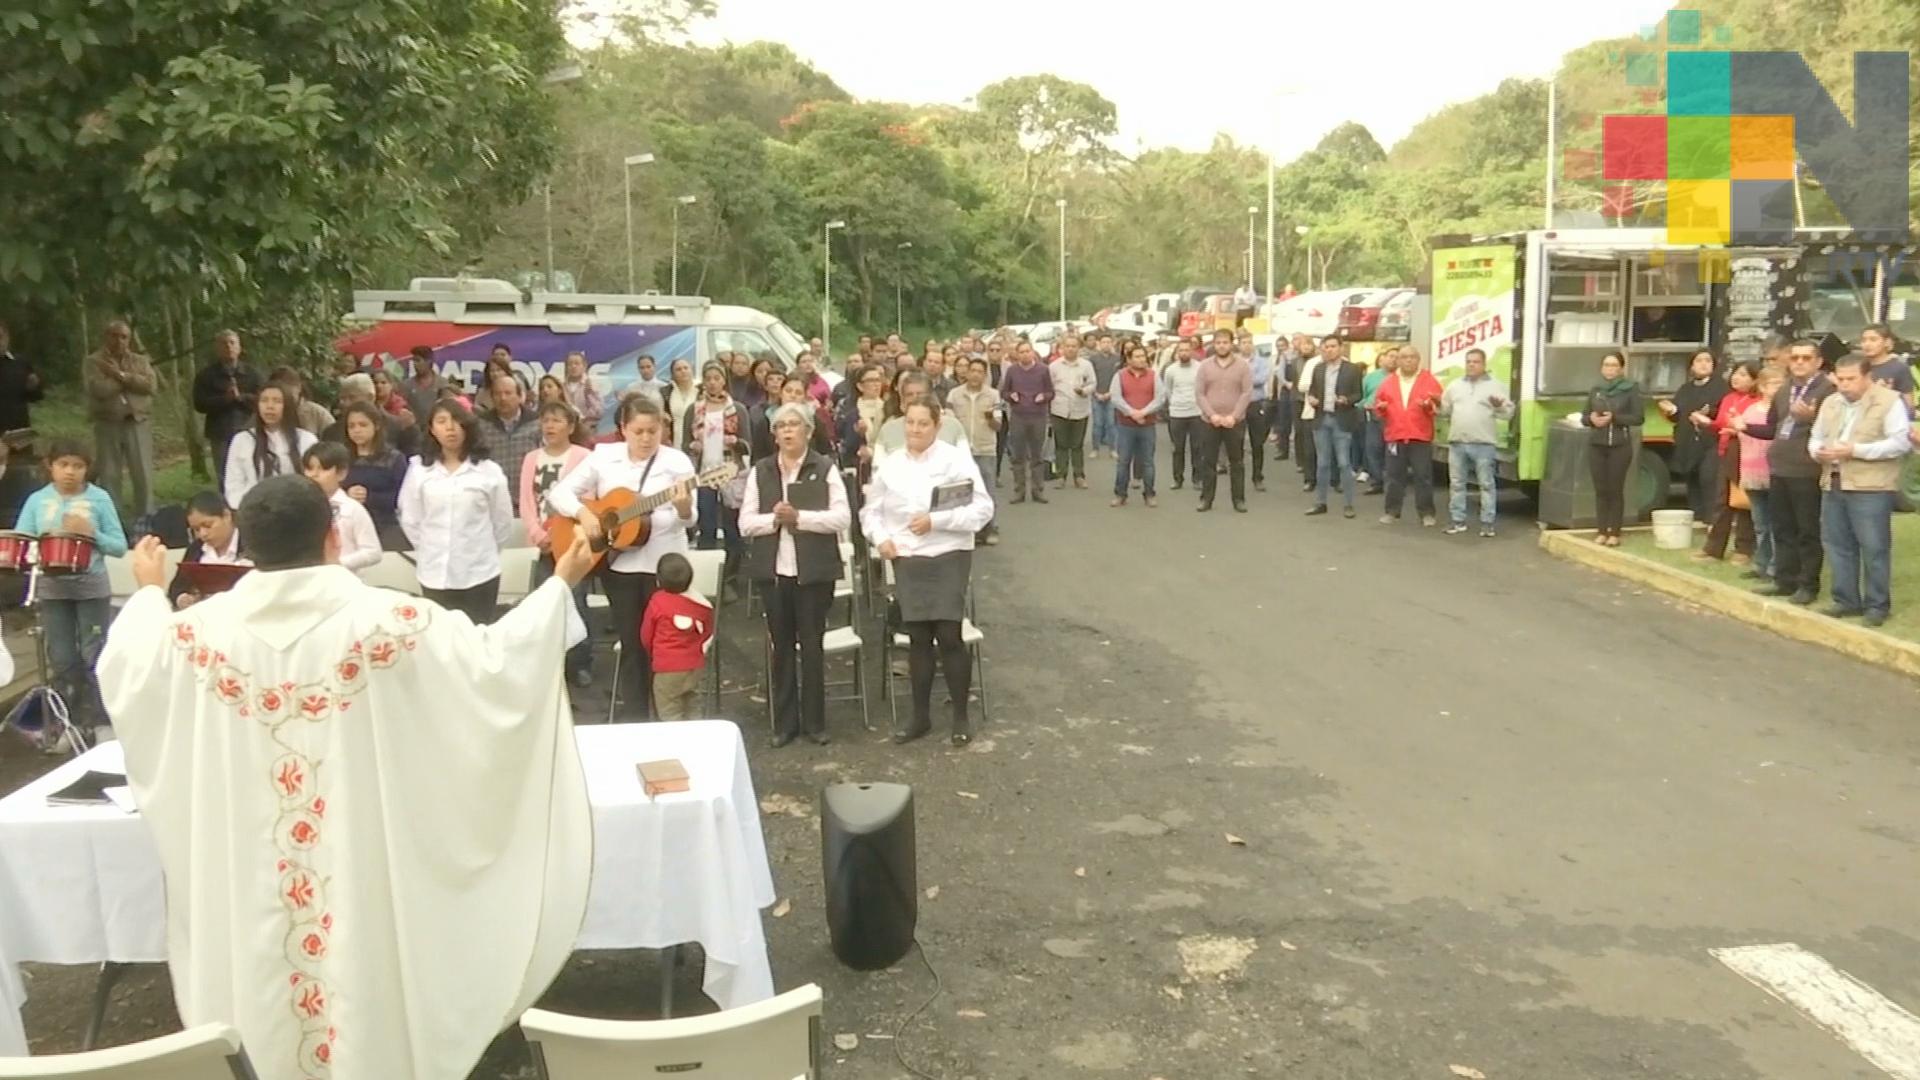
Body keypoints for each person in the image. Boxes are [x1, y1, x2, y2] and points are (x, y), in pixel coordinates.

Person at [97, 475, 595, 1080]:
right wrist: (560, 583)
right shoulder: (394, 621)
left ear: (247, 543)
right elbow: (496, 663)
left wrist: (150, 593)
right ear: (333, 536)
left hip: (248, 879)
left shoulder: (190, 635)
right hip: (362, 874)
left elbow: (126, 666)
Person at [547, 395, 697, 721]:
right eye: (638, 431)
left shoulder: (677, 462)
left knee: (664, 645)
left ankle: (667, 716)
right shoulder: (604, 457)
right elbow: (559, 493)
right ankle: (636, 717)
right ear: (624, 429)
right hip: (620, 566)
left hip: (664, 567)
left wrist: (684, 506)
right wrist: (584, 514)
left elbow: (689, 520)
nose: (646, 439)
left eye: (653, 431)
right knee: (632, 643)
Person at [861, 397, 993, 746]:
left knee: (949, 635)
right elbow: (870, 512)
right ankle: (919, 717)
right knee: (918, 638)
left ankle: (961, 716)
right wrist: (881, 538)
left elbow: (982, 509)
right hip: (909, 556)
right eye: (910, 422)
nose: (915, 430)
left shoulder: (955, 460)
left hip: (948, 553)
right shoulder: (891, 465)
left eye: (923, 423)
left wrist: (938, 520)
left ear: (937, 426)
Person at [739, 402, 852, 746]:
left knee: (813, 646)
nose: (787, 431)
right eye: (781, 426)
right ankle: (785, 723)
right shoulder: (761, 471)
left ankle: (815, 722)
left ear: (809, 431)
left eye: (794, 424)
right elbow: (745, 523)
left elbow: (842, 518)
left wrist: (799, 518)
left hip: (814, 572)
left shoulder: (825, 467)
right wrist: (774, 520)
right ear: (774, 435)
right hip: (774, 572)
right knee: (782, 647)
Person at [16, 438, 128, 726]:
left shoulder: (99, 499)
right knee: (62, 656)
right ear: (50, 466)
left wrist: (91, 533)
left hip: (91, 586)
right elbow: (22, 541)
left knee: (94, 651)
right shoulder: (37, 501)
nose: (70, 472)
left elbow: (119, 546)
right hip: (53, 588)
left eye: (77, 466)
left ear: (87, 469)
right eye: (63, 464)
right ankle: (70, 718)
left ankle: (100, 717)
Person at [1808, 353, 1910, 626]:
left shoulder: (1889, 401)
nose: (1844, 385)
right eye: (1840, 379)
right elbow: (1816, 436)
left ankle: (1877, 605)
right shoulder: (1831, 402)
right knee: (1838, 544)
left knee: (1874, 547)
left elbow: (1900, 443)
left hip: (1871, 486)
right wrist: (1818, 451)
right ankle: (1846, 600)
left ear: (1867, 377)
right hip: (1833, 480)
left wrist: (1856, 451)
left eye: (1851, 379)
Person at [1731, 339, 1834, 601]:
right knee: (1782, 528)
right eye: (1795, 357)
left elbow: (1835, 429)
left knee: (1807, 530)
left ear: (1818, 362)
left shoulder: (1827, 390)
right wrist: (1745, 427)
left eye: (1806, 358)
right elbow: (1773, 428)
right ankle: (1785, 580)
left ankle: (1807, 585)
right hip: (1779, 467)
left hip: (1807, 469)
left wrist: (1812, 418)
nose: (1799, 363)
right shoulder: (1785, 388)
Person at [399, 401, 515, 624]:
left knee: (477, 635)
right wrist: (430, 548)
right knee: (441, 636)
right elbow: (411, 519)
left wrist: (481, 551)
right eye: (442, 422)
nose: (450, 428)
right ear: (432, 429)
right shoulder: (420, 471)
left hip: (479, 572)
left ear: (467, 426)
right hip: (434, 572)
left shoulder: (488, 471)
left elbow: (502, 522)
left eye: (456, 421)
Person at [520, 401, 595, 688]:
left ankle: (579, 662)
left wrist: (566, 532)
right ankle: (548, 663)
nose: (549, 426)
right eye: (545, 420)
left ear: (571, 426)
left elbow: (589, 499)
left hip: (573, 540)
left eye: (556, 420)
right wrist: (538, 534)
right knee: (543, 602)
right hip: (543, 544)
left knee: (575, 600)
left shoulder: (584, 457)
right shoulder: (531, 458)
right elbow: (526, 501)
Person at [84, 319, 157, 521]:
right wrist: (130, 381)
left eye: (124, 337)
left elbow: (151, 386)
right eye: (114, 336)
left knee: (143, 474)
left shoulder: (140, 360)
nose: (119, 341)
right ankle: (112, 521)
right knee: (109, 474)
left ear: (129, 339)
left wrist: (119, 375)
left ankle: (147, 520)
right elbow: (99, 389)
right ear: (106, 337)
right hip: (108, 423)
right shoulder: (93, 361)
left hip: (137, 422)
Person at [681, 362, 749, 576]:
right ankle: (707, 574)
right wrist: (693, 446)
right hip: (704, 474)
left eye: (716, 378)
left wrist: (735, 442)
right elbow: (684, 444)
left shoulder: (737, 409)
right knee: (707, 523)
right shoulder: (694, 409)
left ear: (724, 381)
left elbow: (748, 444)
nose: (712, 383)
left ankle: (732, 575)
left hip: (731, 473)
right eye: (708, 378)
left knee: (731, 526)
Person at [1438, 348, 1514, 537]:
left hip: (1483, 443)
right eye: (1468, 361)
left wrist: (1499, 407)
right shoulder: (1455, 386)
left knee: (1486, 484)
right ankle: (1458, 521)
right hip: (1457, 442)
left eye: (1476, 362)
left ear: (1484, 364)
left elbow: (1508, 414)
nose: (1471, 365)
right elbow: (1444, 411)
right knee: (1457, 484)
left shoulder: (1496, 386)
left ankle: (1487, 523)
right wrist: (1436, 405)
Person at [1696, 361, 1765, 564]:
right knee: (1722, 500)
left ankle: (1744, 548)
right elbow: (1720, 424)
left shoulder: (1757, 401)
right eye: (1735, 373)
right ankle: (1714, 548)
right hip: (1727, 451)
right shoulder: (1728, 398)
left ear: (1755, 380)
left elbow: (1756, 427)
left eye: (1743, 375)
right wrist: (1706, 422)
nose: (1737, 378)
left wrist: (1738, 429)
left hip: (1747, 452)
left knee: (1743, 499)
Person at [1373, 346, 1444, 526]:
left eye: (1412, 357)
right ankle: (1392, 511)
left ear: (1418, 360)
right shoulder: (1388, 382)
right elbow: (1378, 406)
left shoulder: (1429, 380)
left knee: (1423, 476)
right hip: (1395, 435)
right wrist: (1381, 408)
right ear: (1398, 360)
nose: (1409, 360)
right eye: (1404, 357)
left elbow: (1438, 406)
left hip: (1420, 435)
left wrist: (1429, 405)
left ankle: (1426, 513)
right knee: (1394, 476)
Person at [639, 552, 713, 722]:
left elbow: (646, 635)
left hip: (667, 667)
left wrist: (654, 653)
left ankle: (676, 739)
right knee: (693, 705)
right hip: (694, 666)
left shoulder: (658, 601)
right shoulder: (701, 605)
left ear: (658, 580)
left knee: (669, 712)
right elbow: (708, 633)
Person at [1580, 352, 1644, 546]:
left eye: (1614, 365)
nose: (1610, 369)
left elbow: (1638, 418)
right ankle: (1601, 530)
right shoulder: (1596, 390)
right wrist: (1591, 419)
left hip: (1619, 445)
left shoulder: (1630, 389)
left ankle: (1614, 532)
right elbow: (1584, 416)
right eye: (1606, 365)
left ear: (1621, 368)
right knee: (1601, 489)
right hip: (1597, 445)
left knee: (1615, 489)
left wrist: (1614, 418)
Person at [225, 383, 320, 509]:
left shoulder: (306, 439)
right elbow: (233, 486)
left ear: (288, 406)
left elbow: (316, 480)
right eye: (264, 400)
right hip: (253, 510)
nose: (269, 406)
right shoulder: (242, 440)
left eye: (277, 401)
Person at [1662, 349, 1729, 523]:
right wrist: (1671, 410)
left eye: (1707, 360)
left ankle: (1712, 521)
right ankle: (1698, 519)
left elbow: (1724, 412)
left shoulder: (1721, 387)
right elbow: (1678, 415)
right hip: (1687, 442)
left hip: (1711, 442)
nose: (1703, 364)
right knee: (1692, 480)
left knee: (1709, 479)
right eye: (1699, 361)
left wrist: (1709, 413)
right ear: (1691, 366)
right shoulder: (1685, 389)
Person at [191, 328, 263, 489]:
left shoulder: (253, 374)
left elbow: (263, 400)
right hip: (220, 433)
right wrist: (225, 400)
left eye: (232, 343)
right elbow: (199, 404)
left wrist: (241, 397)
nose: (229, 347)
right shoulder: (206, 376)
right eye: (224, 344)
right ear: (217, 348)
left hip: (249, 430)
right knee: (225, 477)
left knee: (251, 473)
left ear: (239, 347)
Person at [338, 401, 413, 551]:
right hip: (348, 525)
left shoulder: (394, 458)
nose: (357, 430)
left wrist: (370, 497)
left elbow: (404, 497)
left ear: (376, 426)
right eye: (351, 426)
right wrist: (346, 495)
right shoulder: (341, 457)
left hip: (385, 524)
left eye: (363, 425)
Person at [1193, 329, 1253, 513]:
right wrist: (1212, 415)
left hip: (1234, 421)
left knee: (1237, 462)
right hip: (1210, 421)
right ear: (1214, 344)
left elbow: (1246, 393)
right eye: (1218, 343)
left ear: (1231, 344)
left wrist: (1233, 416)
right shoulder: (1205, 366)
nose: (1221, 346)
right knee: (1208, 461)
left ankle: (1238, 500)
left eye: (1225, 342)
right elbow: (1199, 394)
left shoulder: (1242, 366)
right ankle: (1206, 499)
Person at [1304, 336, 1363, 518]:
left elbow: (1358, 394)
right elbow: (1312, 390)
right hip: (1322, 419)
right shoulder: (1319, 369)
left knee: (1344, 463)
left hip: (1342, 420)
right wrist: (1312, 399)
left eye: (1333, 346)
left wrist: (1347, 400)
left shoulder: (1352, 369)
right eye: (1326, 347)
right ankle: (1320, 502)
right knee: (1322, 463)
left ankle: (1348, 504)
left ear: (1341, 348)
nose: (1329, 350)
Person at [1735, 366, 1785, 582]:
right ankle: (1761, 564)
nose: (1778, 388)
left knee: (1776, 524)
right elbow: (1742, 437)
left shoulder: (1783, 412)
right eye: (1774, 384)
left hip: (1774, 472)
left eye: (1781, 383)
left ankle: (1775, 567)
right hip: (1752, 471)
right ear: (1762, 387)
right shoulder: (1751, 410)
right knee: (1760, 523)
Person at [303, 442, 381, 574]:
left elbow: (373, 552)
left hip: (345, 578)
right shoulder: (300, 507)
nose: (314, 475)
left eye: (323, 469)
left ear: (341, 473)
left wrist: (338, 563)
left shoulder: (353, 509)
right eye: (309, 469)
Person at [948, 358, 1003, 543]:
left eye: (980, 371)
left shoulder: (994, 395)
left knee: (987, 490)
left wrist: (990, 418)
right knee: (962, 492)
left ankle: (990, 528)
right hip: (961, 451)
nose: (975, 375)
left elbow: (998, 425)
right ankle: (967, 529)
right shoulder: (954, 394)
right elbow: (948, 422)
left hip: (985, 449)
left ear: (985, 375)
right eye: (972, 370)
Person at [476, 370, 543, 514]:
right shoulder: (481, 424)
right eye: (497, 394)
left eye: (508, 393)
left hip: (529, 503)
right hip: (492, 504)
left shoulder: (537, 423)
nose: (503, 398)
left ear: (519, 396)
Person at [170, 490, 250, 609]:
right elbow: (177, 587)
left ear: (226, 516)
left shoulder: (251, 544)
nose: (203, 534)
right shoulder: (196, 549)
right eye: (196, 529)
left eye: (208, 525)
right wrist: (182, 598)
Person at [1110, 341, 1166, 509]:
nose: (1142, 359)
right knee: (1123, 461)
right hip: (1126, 425)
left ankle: (1149, 494)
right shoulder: (1119, 375)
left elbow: (1160, 398)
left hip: (1147, 425)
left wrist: (1144, 412)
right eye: (1137, 356)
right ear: (1129, 359)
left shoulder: (1153, 375)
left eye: (1143, 356)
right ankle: (1120, 494)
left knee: (1148, 461)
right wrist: (1132, 413)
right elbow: (1116, 398)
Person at [1000, 340, 1055, 504]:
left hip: (1038, 416)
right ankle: (1019, 491)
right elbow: (1004, 392)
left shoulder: (1043, 370)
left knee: (1037, 456)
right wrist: (1011, 396)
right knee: (1018, 456)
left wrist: (1044, 396)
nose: (1025, 354)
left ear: (1032, 352)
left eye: (1027, 351)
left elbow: (1051, 392)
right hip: (1018, 417)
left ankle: (1038, 491)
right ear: (1017, 354)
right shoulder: (1012, 370)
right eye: (1021, 352)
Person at [1047, 335, 1095, 489]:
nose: (1070, 349)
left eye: (1074, 346)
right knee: (1061, 445)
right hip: (1059, 410)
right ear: (1062, 348)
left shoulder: (1086, 365)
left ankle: (1079, 476)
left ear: (1078, 348)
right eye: (1067, 346)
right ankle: (1061, 476)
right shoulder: (1054, 366)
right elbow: (1048, 387)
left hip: (1080, 409)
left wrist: (1084, 391)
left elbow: (1093, 384)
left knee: (1077, 445)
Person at [1160, 337, 1201, 491]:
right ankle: (1178, 479)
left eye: (1187, 350)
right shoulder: (1171, 370)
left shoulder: (1200, 368)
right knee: (1178, 448)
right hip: (1177, 413)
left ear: (1192, 351)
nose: (1184, 353)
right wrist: (1175, 403)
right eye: (1181, 350)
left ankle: (1197, 479)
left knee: (1197, 448)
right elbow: (1168, 389)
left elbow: (1203, 389)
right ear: (1177, 352)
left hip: (1196, 412)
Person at [1242, 332, 1274, 491]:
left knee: (1257, 442)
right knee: (1236, 442)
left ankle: (1257, 477)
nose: (1246, 345)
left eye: (1249, 342)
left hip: (1255, 403)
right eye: (1243, 342)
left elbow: (1261, 379)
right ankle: (1238, 477)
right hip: (1238, 405)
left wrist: (1242, 380)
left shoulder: (1261, 361)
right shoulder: (1234, 361)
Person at [1860, 323, 1915, 412]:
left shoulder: (1899, 368)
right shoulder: (1858, 366)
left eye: (1873, 340)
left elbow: (1909, 405)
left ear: (1887, 342)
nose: (1867, 344)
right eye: (1863, 340)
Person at [0, 321, 43, 434]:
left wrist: (33, 387)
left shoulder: (20, 363)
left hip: (19, 434)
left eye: (0, 337)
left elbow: (35, 397)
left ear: (7, 338)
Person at [1357, 352, 1391, 493]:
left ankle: (1392, 484)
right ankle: (1377, 481)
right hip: (1374, 416)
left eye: (1396, 357)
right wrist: (1364, 404)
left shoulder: (1401, 378)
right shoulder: (1371, 377)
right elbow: (1360, 396)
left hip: (1394, 419)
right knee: (1373, 449)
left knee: (1392, 452)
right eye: (1390, 356)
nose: (1393, 360)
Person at [1087, 332, 1123, 460]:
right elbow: (1089, 378)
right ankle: (1095, 449)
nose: (1106, 344)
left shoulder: (1117, 359)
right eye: (1103, 342)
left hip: (1112, 396)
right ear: (1099, 344)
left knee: (1111, 424)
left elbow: (1119, 378)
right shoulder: (1093, 359)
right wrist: (1095, 393)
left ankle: (1113, 449)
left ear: (1112, 343)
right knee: (1097, 424)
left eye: (1108, 342)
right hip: (1096, 395)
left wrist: (1110, 393)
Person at [562, 350, 605, 434]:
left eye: (577, 363)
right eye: (570, 364)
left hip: (588, 430)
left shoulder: (592, 384)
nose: (573, 366)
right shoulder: (562, 387)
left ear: (584, 366)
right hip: (567, 432)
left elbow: (599, 412)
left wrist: (590, 394)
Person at [402, 344, 449, 420]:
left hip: (436, 425)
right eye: (413, 361)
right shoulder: (407, 385)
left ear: (428, 361)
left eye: (418, 360)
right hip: (415, 426)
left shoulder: (442, 383)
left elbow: (448, 408)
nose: (414, 364)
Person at [663, 357, 700, 442]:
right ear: (673, 374)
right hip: (674, 440)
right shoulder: (666, 393)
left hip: (696, 441)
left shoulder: (701, 390)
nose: (683, 371)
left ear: (691, 370)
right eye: (678, 369)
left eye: (686, 368)